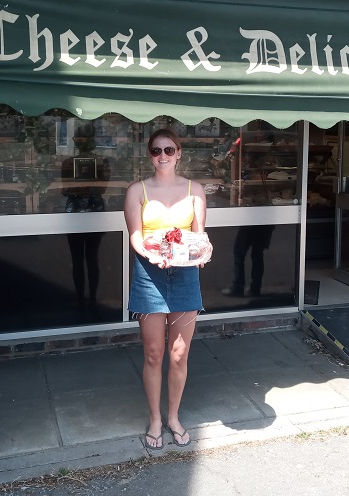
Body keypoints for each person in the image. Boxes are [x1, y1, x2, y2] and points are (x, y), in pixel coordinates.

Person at [123, 128, 209, 449]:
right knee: (154, 352)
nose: (163, 156)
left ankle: (173, 416)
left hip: (185, 275)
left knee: (179, 353)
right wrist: (150, 253)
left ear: (179, 153)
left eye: (169, 150)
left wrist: (203, 253)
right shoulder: (137, 191)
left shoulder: (195, 189)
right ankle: (155, 419)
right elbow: (135, 236)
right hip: (149, 274)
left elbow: (200, 236)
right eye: (156, 151)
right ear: (150, 155)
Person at [61, 123, 111, 311]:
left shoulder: (102, 162)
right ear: (74, 141)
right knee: (79, 259)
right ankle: (82, 298)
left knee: (91, 258)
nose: (83, 143)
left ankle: (92, 298)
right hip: (76, 211)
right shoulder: (68, 163)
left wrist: (83, 187)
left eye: (86, 140)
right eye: (80, 139)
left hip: (92, 211)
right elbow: (65, 189)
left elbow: (102, 188)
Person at [222, 224, 276, 297]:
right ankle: (255, 288)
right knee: (257, 254)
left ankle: (238, 287)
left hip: (250, 224)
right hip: (265, 224)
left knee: (239, 252)